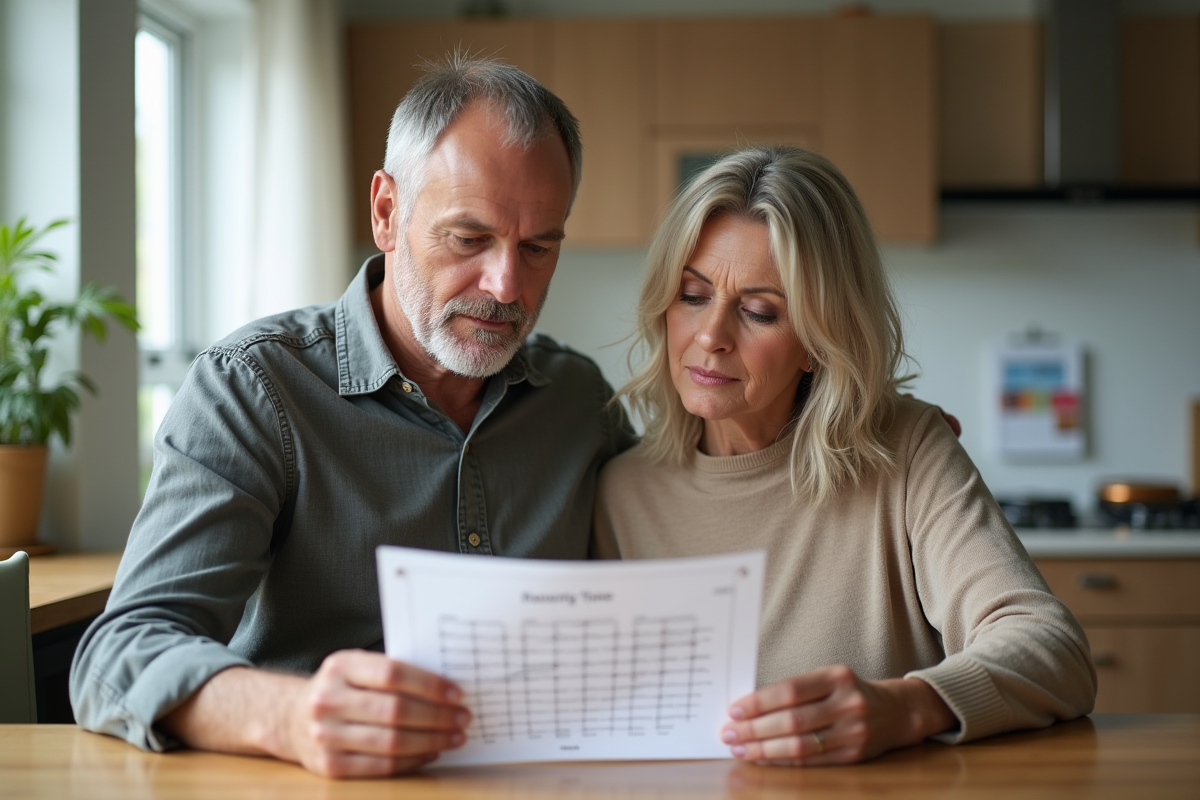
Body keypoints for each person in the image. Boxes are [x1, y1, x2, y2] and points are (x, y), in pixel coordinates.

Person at [71, 55, 633, 778]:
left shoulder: (578, 401)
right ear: (387, 213)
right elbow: (118, 656)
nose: (505, 285)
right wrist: (291, 716)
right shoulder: (253, 388)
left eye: (537, 247)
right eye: (468, 239)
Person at [593, 146, 1096, 766]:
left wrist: (908, 707)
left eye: (759, 312)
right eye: (692, 296)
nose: (711, 337)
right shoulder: (621, 494)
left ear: (817, 341)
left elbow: (1054, 651)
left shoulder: (908, 451)